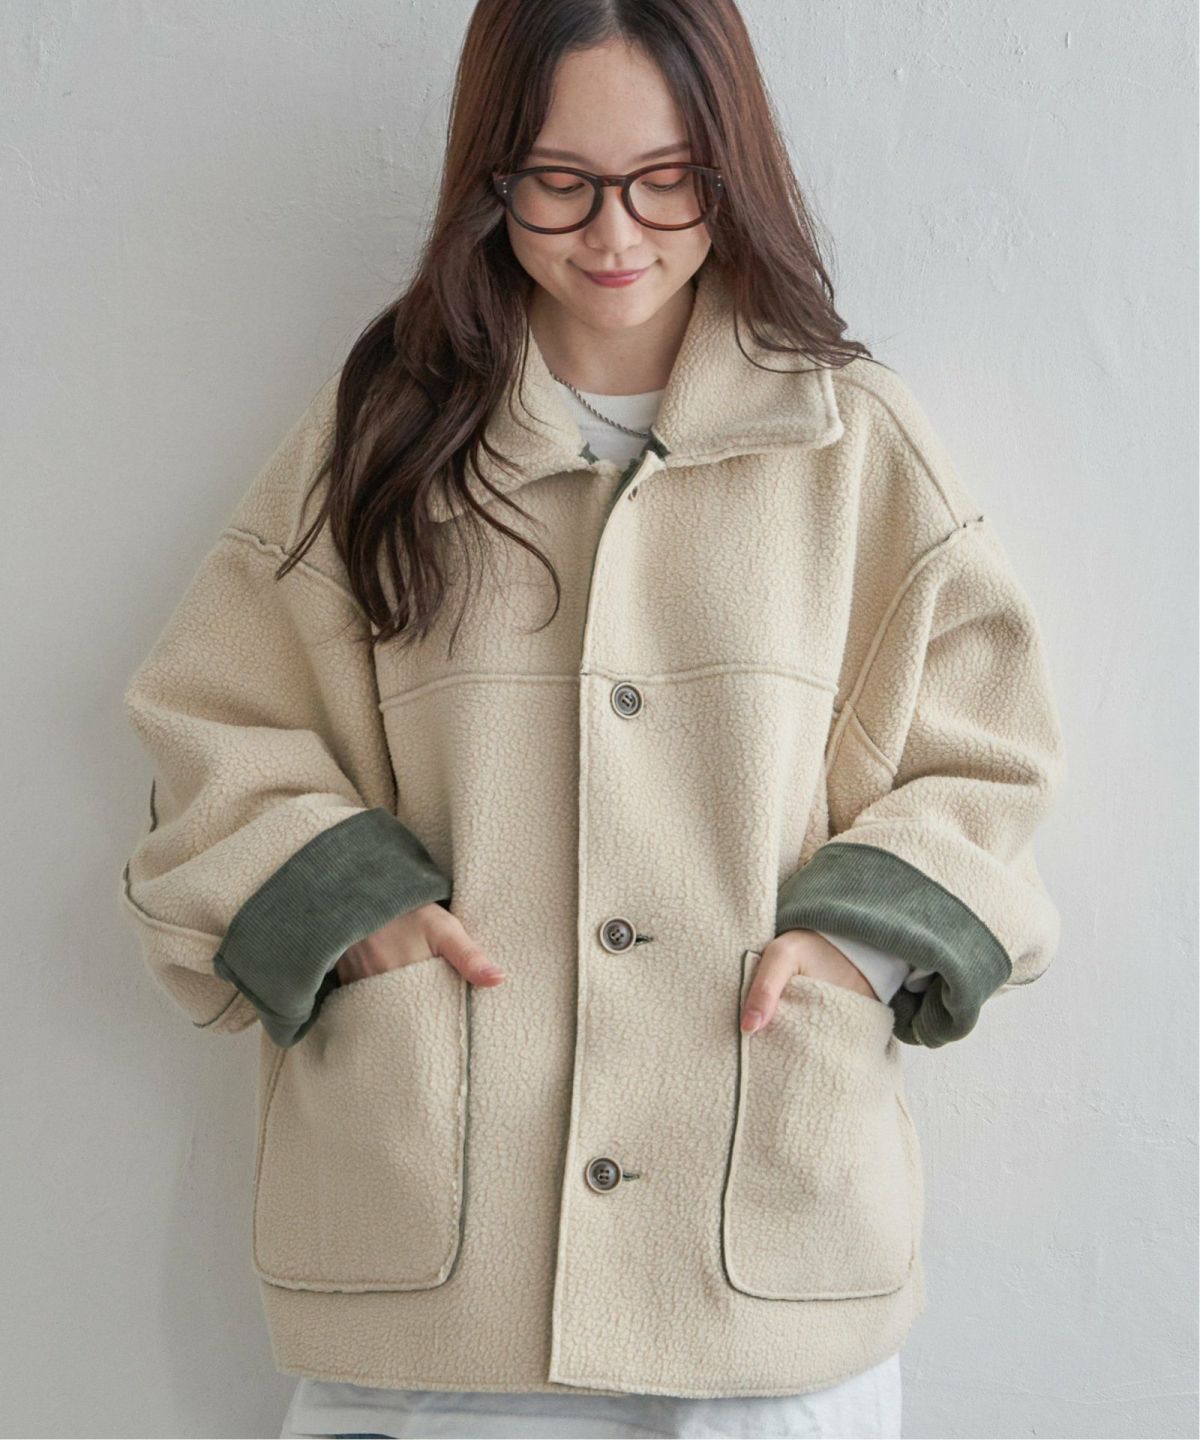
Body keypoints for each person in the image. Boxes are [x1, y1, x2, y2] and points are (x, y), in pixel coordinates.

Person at [117, 3, 1067, 1438]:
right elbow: (214, 718)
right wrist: (356, 914)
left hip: (759, 1263)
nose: (615, 232)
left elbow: (985, 756)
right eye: (559, 181)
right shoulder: (387, 438)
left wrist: (855, 950)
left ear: (730, 168)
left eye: (666, 179)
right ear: (490, 175)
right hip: (441, 1256)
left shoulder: (851, 444)